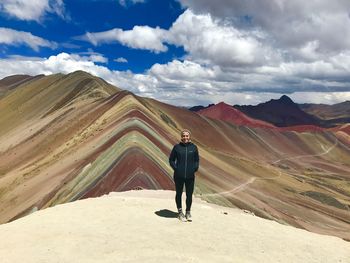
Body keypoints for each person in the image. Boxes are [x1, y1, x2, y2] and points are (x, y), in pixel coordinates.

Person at [169, 129, 199, 222]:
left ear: (189, 137)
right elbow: (171, 159)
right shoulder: (177, 147)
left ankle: (188, 212)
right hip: (179, 176)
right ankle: (180, 212)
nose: (185, 137)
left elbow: (196, 159)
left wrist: (195, 168)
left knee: (189, 195)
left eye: (187, 136)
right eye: (183, 136)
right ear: (181, 137)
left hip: (190, 176)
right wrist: (176, 168)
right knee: (179, 193)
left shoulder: (194, 148)